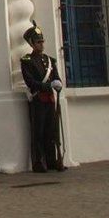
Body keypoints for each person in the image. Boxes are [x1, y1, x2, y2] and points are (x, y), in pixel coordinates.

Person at [20, 22, 66, 173]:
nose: (41, 44)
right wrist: (47, 86)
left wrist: (58, 84)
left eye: (42, 41)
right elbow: (30, 82)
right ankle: (38, 162)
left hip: (50, 100)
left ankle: (52, 160)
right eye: (38, 42)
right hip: (38, 99)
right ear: (32, 43)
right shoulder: (27, 61)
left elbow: (56, 78)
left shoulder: (50, 61)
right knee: (38, 131)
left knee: (51, 130)